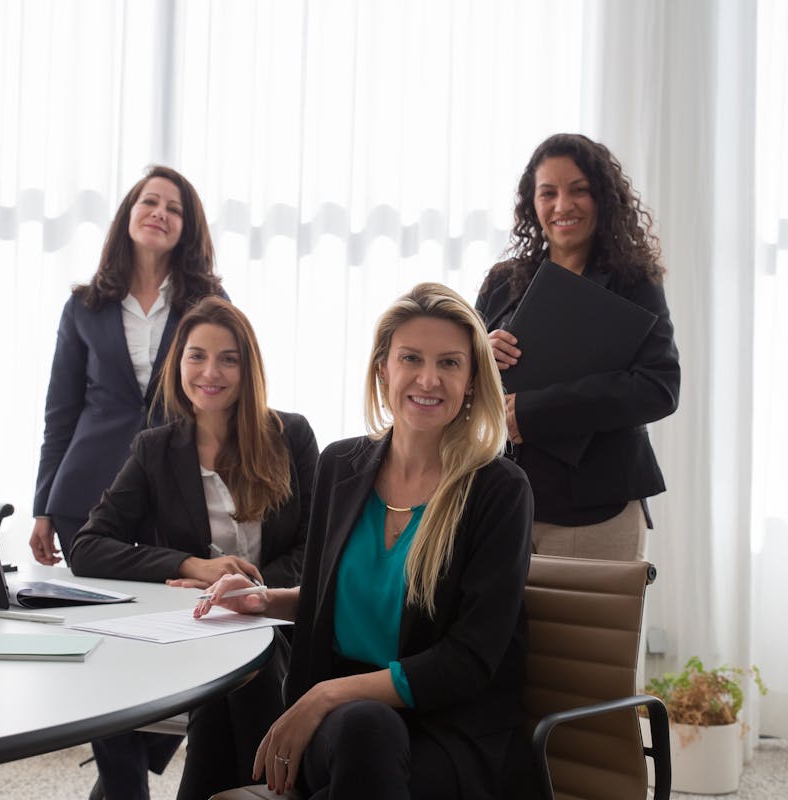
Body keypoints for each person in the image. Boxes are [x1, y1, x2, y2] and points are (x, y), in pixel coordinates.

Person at [195, 283, 534, 800]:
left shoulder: (498, 490)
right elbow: (345, 597)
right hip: (346, 727)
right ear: (384, 370)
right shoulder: (341, 466)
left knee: (364, 733)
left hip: (446, 729)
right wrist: (266, 601)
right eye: (411, 359)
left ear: (470, 381)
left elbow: (470, 659)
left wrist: (326, 696)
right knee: (356, 727)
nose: (428, 379)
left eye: (449, 363)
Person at [69, 296, 319, 800]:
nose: (211, 371)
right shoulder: (155, 449)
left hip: (283, 621)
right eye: (197, 356)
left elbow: (318, 542)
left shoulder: (290, 435)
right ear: (177, 363)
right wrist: (192, 565)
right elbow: (88, 546)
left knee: (248, 669)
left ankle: (270, 788)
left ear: (248, 368)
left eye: (228, 358)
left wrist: (251, 591)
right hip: (200, 626)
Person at [475, 133, 680, 562]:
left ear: (603, 198)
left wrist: (530, 412)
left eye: (579, 190)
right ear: (532, 203)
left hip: (597, 509)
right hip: (501, 507)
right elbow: (457, 393)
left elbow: (658, 387)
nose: (562, 205)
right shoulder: (499, 282)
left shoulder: (634, 284)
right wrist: (476, 361)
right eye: (548, 193)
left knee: (593, 633)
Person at [30, 165, 224, 565]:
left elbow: (227, 398)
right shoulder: (84, 307)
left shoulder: (209, 303)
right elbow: (60, 414)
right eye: (149, 202)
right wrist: (43, 506)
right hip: (85, 491)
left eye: (174, 209)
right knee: (89, 619)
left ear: (186, 229)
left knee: (169, 613)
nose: (158, 212)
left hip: (176, 489)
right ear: (128, 214)